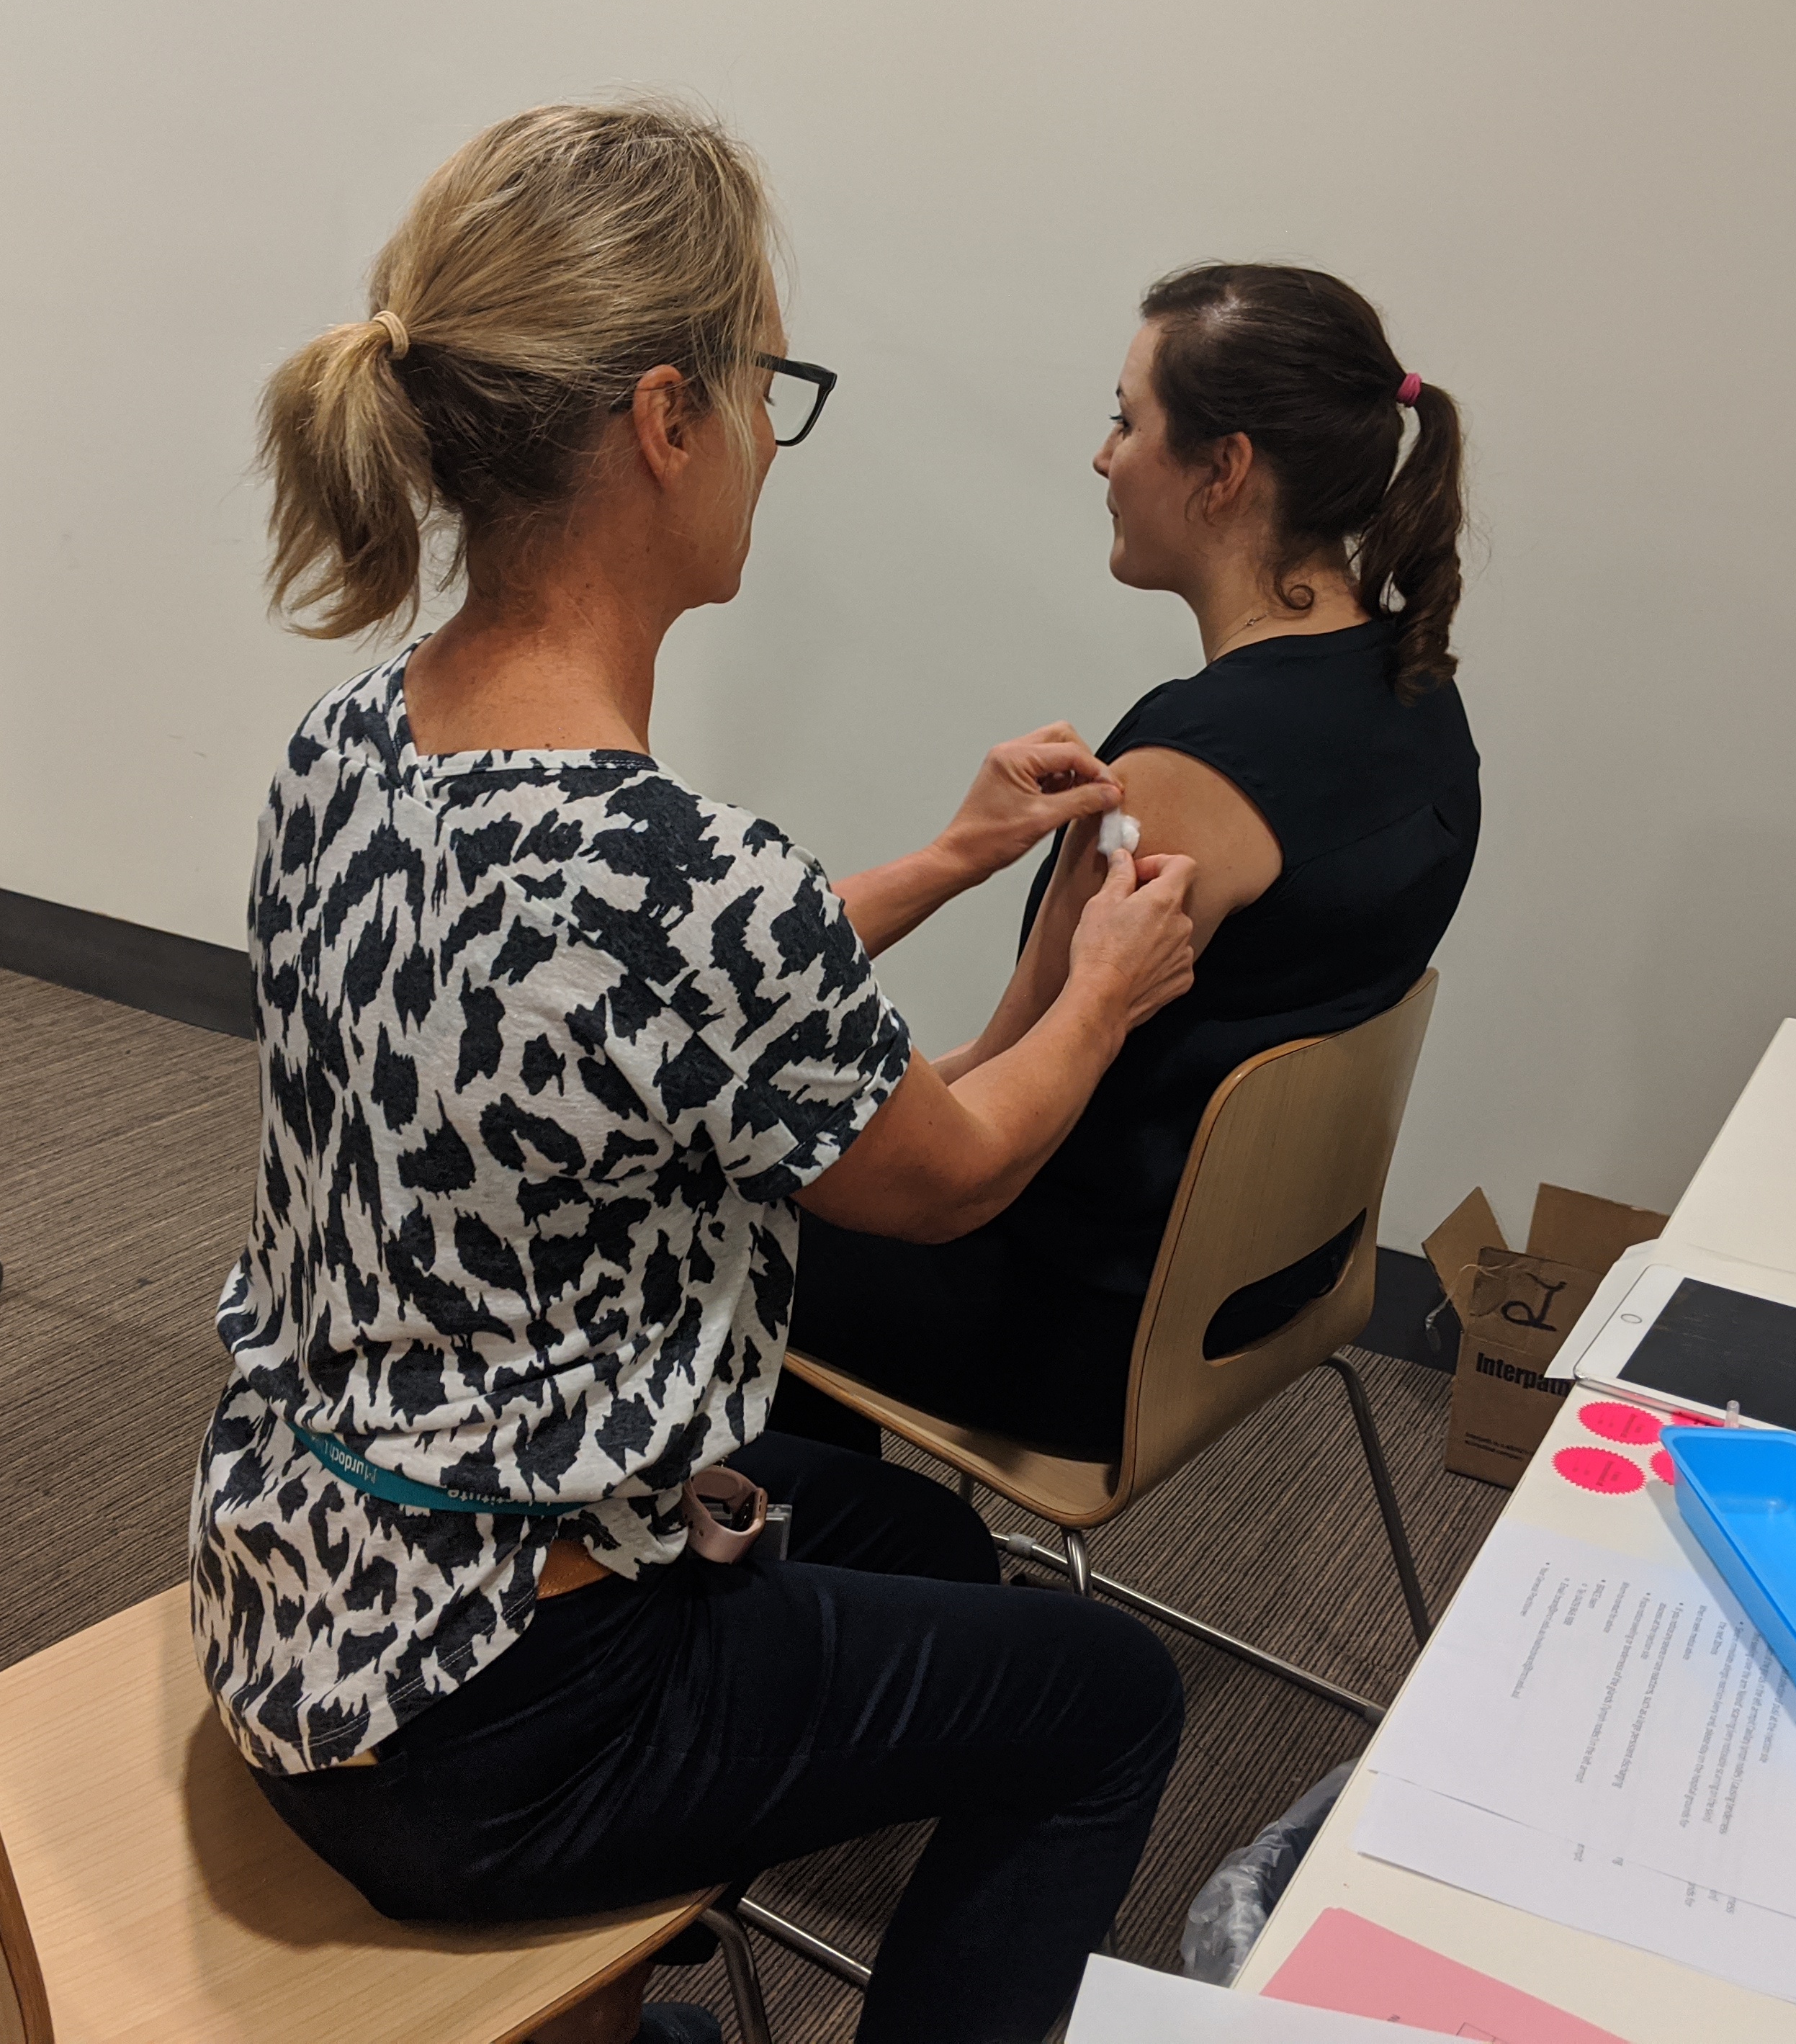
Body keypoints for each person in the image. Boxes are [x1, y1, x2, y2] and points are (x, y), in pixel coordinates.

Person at [189, 100, 1198, 2044]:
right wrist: (1103, 983)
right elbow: (952, 1162)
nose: (767, 443)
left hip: (300, 1596)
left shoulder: (353, 742)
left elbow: (599, 996)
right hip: (495, 1730)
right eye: (766, 387)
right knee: (1105, 1707)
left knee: (903, 1527)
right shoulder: (682, 877)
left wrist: (947, 858)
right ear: (665, 418)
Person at [782, 264, 1481, 1462]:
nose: (1102, 459)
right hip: (1269, 1283)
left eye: (1125, 420)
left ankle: (840, 1592)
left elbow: (985, 1122)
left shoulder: (1178, 770)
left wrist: (803, 1135)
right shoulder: (1418, 697)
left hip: (1086, 1331)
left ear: (1225, 470)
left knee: (714, 1222)